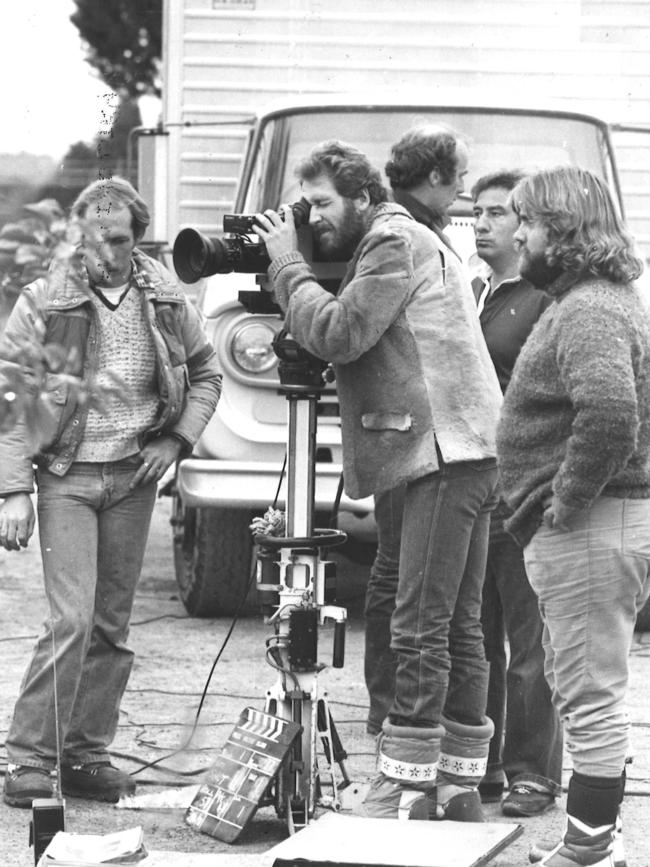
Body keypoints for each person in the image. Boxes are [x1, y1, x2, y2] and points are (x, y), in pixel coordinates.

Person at [254, 140, 503, 821]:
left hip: (440, 451)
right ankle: (457, 786)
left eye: (323, 204)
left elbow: (340, 333)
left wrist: (286, 265)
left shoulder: (391, 239)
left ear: (363, 197)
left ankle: (403, 782)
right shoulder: (416, 234)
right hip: (468, 447)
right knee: (458, 625)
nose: (314, 216)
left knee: (420, 622)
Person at [0, 177, 222, 808]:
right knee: (70, 619)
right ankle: (29, 759)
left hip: (132, 479)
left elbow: (207, 374)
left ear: (137, 237)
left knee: (110, 624)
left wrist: (175, 440)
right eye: (93, 237)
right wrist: (13, 490)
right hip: (66, 478)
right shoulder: (46, 299)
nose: (105, 251)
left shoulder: (167, 299)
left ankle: (86, 752)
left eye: (119, 238)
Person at [497, 166, 650, 866]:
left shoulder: (589, 306)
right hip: (591, 525)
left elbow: (613, 411)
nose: (516, 232)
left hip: (589, 526)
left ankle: (589, 849)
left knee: (590, 694)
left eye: (524, 220)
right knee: (587, 687)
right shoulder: (589, 299)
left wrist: (566, 500)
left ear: (560, 228)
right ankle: (599, 841)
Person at [363, 123, 470, 738]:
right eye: (461, 172)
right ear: (436, 176)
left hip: (410, 429)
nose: (466, 184)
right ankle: (404, 729)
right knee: (415, 598)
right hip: (423, 433)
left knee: (397, 580)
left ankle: (396, 721)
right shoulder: (406, 234)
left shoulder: (417, 231)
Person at [471, 170, 563, 818]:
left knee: (530, 642)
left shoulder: (541, 300)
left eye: (498, 212)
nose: (482, 222)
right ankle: (490, 764)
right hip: (479, 490)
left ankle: (533, 771)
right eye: (476, 211)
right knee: (478, 635)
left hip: (526, 491)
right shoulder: (481, 292)